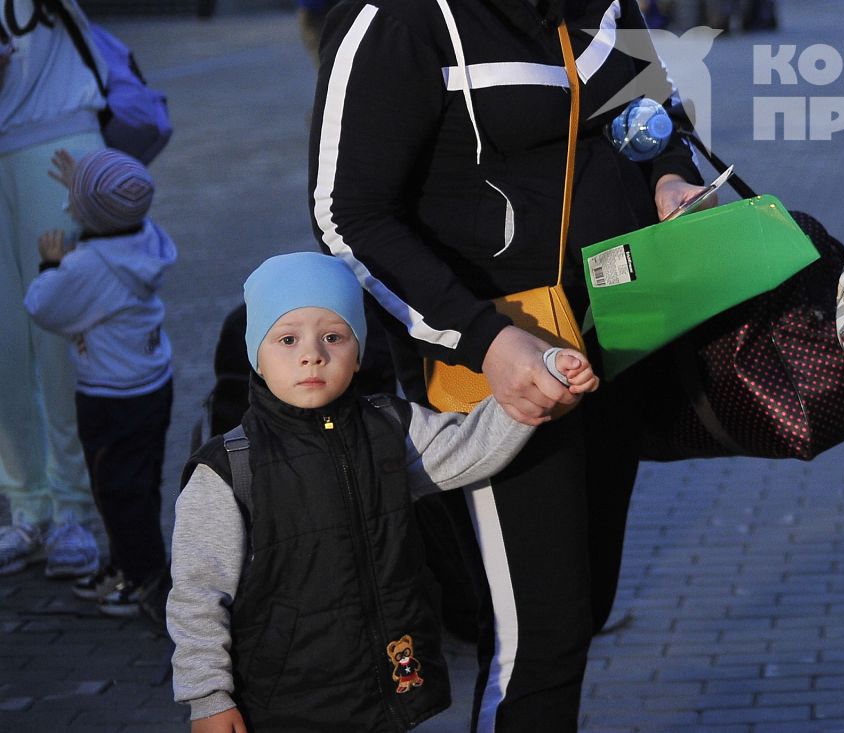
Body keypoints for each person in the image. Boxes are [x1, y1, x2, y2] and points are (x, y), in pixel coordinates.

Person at [308, 0, 708, 730]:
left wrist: (667, 180)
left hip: (613, 335)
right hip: (498, 372)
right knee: (534, 641)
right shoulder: (396, 9)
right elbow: (343, 216)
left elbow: (647, 109)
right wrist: (488, 340)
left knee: (577, 612)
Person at [166, 252, 596, 733]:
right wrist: (207, 698)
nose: (313, 354)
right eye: (287, 339)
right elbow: (198, 595)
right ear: (256, 356)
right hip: (280, 702)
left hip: (384, 687)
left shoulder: (391, 426)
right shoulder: (228, 469)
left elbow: (467, 447)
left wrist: (538, 382)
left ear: (359, 351)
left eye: (334, 336)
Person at [0, 0, 104, 581]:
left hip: (54, 144)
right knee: (6, 340)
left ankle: (74, 510)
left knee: (60, 334)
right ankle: (26, 506)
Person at [23, 147, 174, 618]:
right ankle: (128, 563)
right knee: (138, 485)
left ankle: (144, 580)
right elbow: (109, 208)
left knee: (116, 490)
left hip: (110, 397)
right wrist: (82, 185)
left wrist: (50, 264)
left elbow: (42, 306)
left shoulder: (84, 266)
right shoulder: (145, 238)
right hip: (153, 385)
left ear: (86, 212)